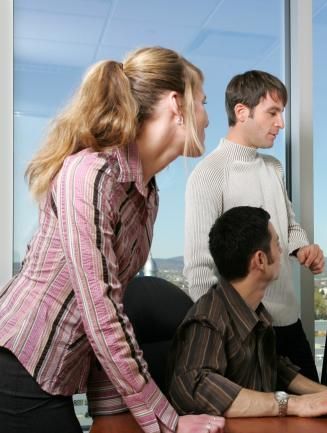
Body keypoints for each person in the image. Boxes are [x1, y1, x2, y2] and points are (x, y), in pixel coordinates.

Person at [0, 47, 224, 433]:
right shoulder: (90, 175)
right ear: (176, 104)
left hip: (55, 378)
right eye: (202, 102)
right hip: (18, 365)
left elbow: (113, 307)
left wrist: (112, 414)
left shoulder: (145, 193)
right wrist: (167, 422)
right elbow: (101, 312)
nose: (207, 117)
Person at [184, 70, 323, 382]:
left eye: (281, 113)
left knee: (320, 408)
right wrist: (225, 335)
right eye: (272, 113)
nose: (280, 123)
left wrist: (303, 247)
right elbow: (199, 270)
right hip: (243, 334)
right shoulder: (208, 174)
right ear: (241, 112)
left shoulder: (273, 167)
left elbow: (289, 226)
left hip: (289, 322)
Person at [168, 206, 327, 420]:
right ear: (260, 260)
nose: (281, 253)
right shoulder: (208, 319)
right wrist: (293, 404)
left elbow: (275, 368)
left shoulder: (254, 312)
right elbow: (194, 386)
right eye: (277, 244)